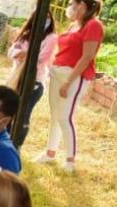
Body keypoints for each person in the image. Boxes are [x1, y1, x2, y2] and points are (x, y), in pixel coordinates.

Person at [36, 0, 104, 172]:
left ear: (83, 5)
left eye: (74, 3)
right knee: (55, 115)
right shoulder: (75, 25)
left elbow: (87, 56)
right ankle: (50, 154)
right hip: (58, 73)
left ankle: (70, 160)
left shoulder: (94, 25)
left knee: (65, 117)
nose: (70, 6)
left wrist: (68, 81)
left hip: (74, 77)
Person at [8, 8, 56, 148]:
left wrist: (26, 53)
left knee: (23, 115)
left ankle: (16, 146)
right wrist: (21, 53)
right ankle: (6, 142)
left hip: (35, 82)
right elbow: (12, 52)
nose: (44, 20)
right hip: (16, 79)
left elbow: (42, 58)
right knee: (10, 112)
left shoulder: (51, 37)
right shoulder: (26, 34)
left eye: (47, 17)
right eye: (40, 17)